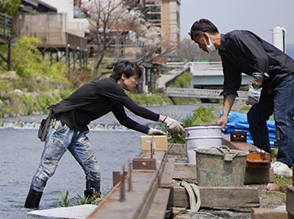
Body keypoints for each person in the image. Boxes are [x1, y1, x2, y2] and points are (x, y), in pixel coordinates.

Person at [24, 59, 184, 209]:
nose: (137, 83)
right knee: (46, 170)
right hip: (62, 126)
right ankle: (30, 209)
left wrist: (149, 130)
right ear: (123, 76)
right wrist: (165, 119)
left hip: (78, 131)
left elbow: (124, 120)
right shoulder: (109, 86)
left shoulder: (114, 94)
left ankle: (91, 206)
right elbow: (136, 109)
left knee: (93, 172)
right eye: (135, 78)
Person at [189, 18, 294, 177]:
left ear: (205, 36)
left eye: (198, 42)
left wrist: (256, 85)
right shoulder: (225, 53)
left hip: (287, 76)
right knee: (255, 117)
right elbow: (231, 86)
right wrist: (224, 116)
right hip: (270, 81)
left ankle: (286, 163)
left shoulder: (237, 37)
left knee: (282, 116)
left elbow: (261, 58)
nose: (200, 47)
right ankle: (264, 157)